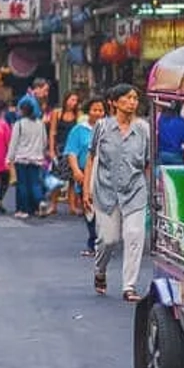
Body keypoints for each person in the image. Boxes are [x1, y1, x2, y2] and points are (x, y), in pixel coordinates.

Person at [85, 83, 150, 301]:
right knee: (109, 239)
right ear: (114, 102)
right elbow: (92, 158)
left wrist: (154, 190)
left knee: (134, 235)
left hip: (135, 190)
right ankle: (100, 270)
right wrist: (86, 189)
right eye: (127, 98)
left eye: (135, 98)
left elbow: (148, 162)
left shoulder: (143, 129)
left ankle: (129, 286)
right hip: (106, 191)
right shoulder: (102, 127)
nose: (133, 102)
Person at [64, 97, 106, 257]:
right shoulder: (79, 130)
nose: (98, 113)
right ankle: (93, 241)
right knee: (89, 208)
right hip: (84, 173)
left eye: (101, 110)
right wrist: (76, 171)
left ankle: (103, 241)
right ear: (88, 111)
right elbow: (71, 152)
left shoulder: (108, 129)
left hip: (104, 174)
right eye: (95, 109)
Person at [5, 99, 47, 220]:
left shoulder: (20, 124)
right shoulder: (40, 123)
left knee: (22, 184)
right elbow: (44, 141)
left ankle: (22, 210)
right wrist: (40, 153)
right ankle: (40, 202)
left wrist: (9, 158)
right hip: (36, 158)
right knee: (35, 183)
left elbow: (13, 143)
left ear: (22, 111)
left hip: (22, 158)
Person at [49, 92, 82, 215]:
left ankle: (72, 206)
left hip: (73, 149)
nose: (74, 103)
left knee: (72, 179)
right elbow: (52, 133)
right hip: (60, 148)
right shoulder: (57, 113)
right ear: (66, 100)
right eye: (72, 99)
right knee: (57, 178)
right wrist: (51, 150)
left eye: (76, 100)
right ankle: (53, 205)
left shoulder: (77, 115)